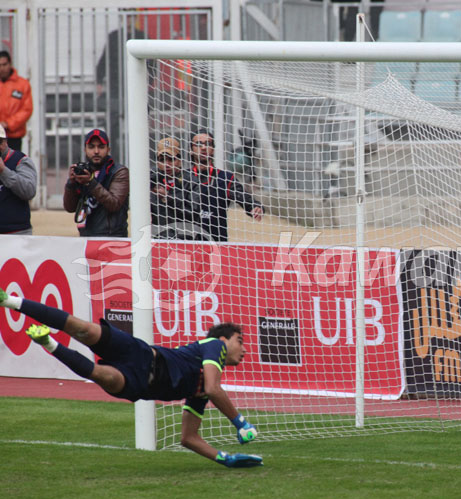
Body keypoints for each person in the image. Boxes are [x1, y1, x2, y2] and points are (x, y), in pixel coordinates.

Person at [0, 286, 263, 468]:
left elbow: (188, 438)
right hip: (141, 355)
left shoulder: (201, 389)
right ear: (223, 340)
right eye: (239, 341)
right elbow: (215, 389)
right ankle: (8, 300)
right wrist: (240, 423)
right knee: (84, 329)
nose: (244, 349)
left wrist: (225, 458)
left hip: (139, 385)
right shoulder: (213, 346)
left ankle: (49, 343)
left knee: (104, 376)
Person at [189, 130, 264, 242]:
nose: (203, 148)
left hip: (217, 244)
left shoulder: (225, 178)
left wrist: (255, 207)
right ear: (191, 150)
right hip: (187, 245)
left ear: (213, 149)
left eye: (208, 144)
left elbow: (245, 198)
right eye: (198, 144)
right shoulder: (183, 178)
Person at [63, 129, 129, 237]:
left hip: (112, 237)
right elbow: (69, 208)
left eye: (101, 147)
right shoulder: (83, 171)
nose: (96, 151)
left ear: (108, 149)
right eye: (91, 147)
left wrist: (90, 183)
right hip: (86, 236)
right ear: (85, 150)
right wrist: (71, 183)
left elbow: (114, 204)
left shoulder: (119, 171)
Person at [96, 17, 147, 155]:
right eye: (127, 17)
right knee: (113, 124)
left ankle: (140, 153)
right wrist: (99, 80)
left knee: (140, 123)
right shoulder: (114, 37)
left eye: (132, 17)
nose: (129, 20)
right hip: (116, 87)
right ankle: (114, 154)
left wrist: (149, 82)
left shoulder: (141, 36)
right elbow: (104, 59)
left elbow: (151, 62)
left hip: (137, 86)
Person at [150, 136, 204, 240]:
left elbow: (193, 214)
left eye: (171, 159)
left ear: (179, 160)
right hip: (158, 241)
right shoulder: (151, 181)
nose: (167, 164)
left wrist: (167, 198)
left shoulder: (191, 182)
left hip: (185, 241)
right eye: (162, 160)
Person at [0, 125, 37, 235]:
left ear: (5, 142)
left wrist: (4, 171)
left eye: (0, 142)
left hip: (17, 233)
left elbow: (29, 191)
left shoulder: (20, 160)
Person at [0, 51, 33, 152]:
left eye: (4, 64)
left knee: (12, 161)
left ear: (10, 64)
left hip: (14, 136)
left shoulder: (22, 84)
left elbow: (26, 109)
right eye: (0, 65)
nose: (2, 68)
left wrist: (8, 124)